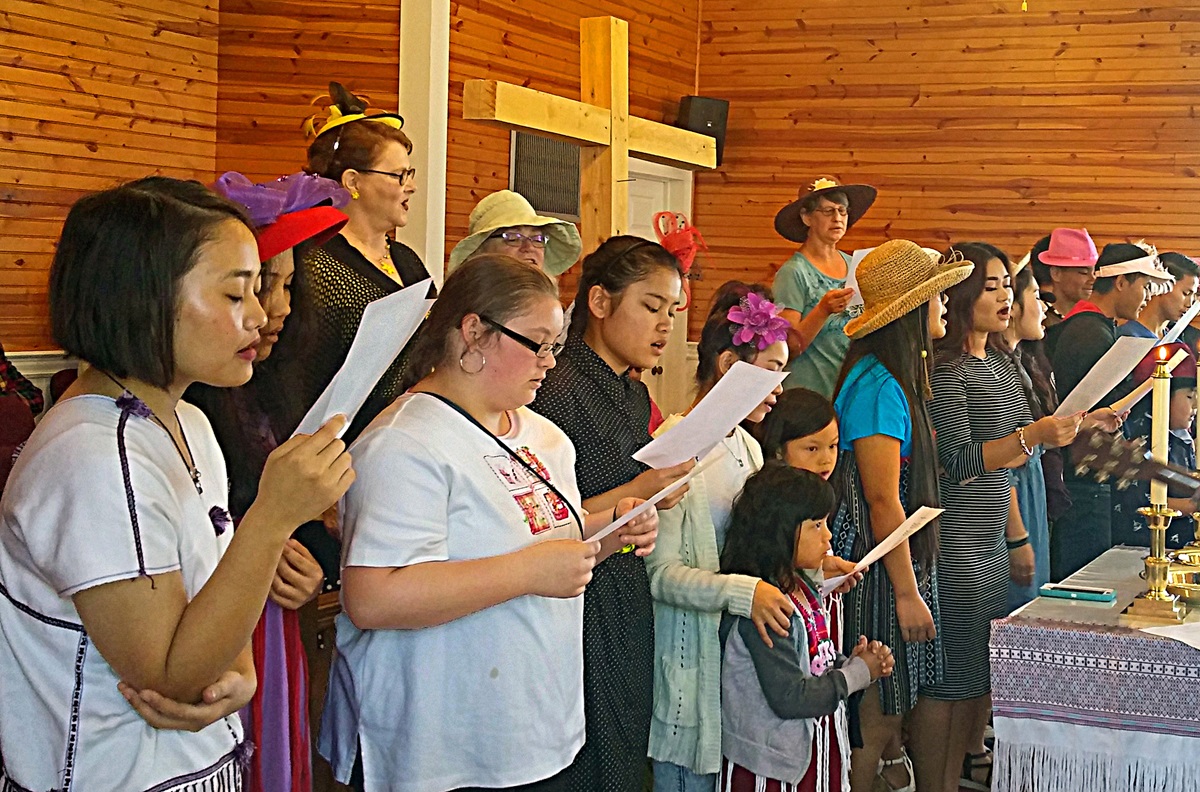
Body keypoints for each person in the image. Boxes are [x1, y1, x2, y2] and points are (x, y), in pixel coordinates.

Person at [0, 177, 353, 790]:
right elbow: (171, 677)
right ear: (147, 298)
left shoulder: (187, 419)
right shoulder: (92, 456)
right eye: (235, 293)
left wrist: (240, 672)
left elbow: (210, 594)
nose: (262, 315)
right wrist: (273, 517)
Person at [320, 255, 657, 791]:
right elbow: (373, 598)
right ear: (473, 332)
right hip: (443, 742)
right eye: (537, 343)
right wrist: (524, 574)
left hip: (534, 723)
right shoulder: (402, 444)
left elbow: (540, 534)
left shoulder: (545, 435)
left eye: (556, 345)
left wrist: (607, 529)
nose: (550, 362)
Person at [188, 170, 350, 792]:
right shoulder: (170, 414)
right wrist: (265, 541)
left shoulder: (271, 383)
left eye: (284, 285)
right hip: (211, 619)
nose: (273, 310)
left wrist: (308, 554)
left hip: (271, 613)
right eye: (250, 289)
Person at [913, 242, 1080, 792]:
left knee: (978, 672)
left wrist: (1017, 535)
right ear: (961, 295)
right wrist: (1031, 436)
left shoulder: (1004, 361)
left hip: (990, 532)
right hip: (954, 534)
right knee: (948, 677)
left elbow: (1008, 462)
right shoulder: (947, 368)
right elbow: (955, 462)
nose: (1007, 296)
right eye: (992, 286)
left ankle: (959, 774)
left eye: (1009, 284)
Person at [531, 236, 695, 792]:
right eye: (651, 307)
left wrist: (656, 490)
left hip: (625, 585)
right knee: (585, 757)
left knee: (624, 749)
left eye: (672, 310)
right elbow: (544, 515)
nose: (666, 324)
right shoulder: (556, 387)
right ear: (599, 303)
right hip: (572, 595)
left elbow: (633, 496)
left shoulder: (627, 390)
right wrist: (641, 488)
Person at [831, 239, 972, 792]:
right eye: (937, 297)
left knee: (891, 716)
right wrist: (908, 593)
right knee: (877, 714)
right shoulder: (878, 384)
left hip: (895, 556)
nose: (945, 307)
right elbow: (881, 499)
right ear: (912, 310)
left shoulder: (894, 376)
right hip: (878, 563)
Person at [645, 282, 793, 791]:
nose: (778, 391)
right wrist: (742, 591)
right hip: (689, 668)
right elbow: (660, 576)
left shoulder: (746, 449)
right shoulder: (676, 445)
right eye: (771, 374)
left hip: (735, 667)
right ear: (730, 366)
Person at [719, 463, 894, 792]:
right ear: (780, 530)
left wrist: (851, 663)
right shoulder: (768, 608)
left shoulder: (802, 586)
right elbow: (790, 696)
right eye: (816, 525)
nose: (828, 536)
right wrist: (856, 675)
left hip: (813, 756)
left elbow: (812, 660)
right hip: (770, 770)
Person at [303, 81, 436, 445]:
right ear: (352, 182)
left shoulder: (407, 261)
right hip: (338, 444)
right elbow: (301, 373)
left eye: (410, 174)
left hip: (410, 438)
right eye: (398, 176)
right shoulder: (316, 265)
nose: (410, 186)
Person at [1050, 242, 1173, 580]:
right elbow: (1082, 418)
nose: (1148, 297)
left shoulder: (1096, 327)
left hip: (1087, 481)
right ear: (1121, 283)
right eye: (1144, 286)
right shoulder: (1089, 331)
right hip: (1081, 486)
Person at [772, 177, 878, 397]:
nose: (838, 218)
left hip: (850, 392)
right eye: (828, 211)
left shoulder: (855, 266)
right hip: (809, 396)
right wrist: (822, 311)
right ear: (807, 217)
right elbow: (788, 347)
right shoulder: (793, 272)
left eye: (843, 211)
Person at [1002, 252, 1058, 610]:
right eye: (1036, 296)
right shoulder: (990, 368)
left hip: (1030, 487)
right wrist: (1017, 536)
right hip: (1012, 499)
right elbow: (994, 459)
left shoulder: (1021, 361)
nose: (1044, 307)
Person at [1115, 343, 1198, 550]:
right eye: (1189, 396)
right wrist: (1193, 505)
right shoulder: (1143, 438)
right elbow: (1143, 500)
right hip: (1147, 544)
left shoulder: (1181, 435)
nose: (1196, 405)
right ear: (1162, 394)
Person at [448, 189, 583, 277]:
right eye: (513, 238)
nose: (528, 247)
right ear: (481, 251)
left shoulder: (550, 310)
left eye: (537, 238)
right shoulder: (464, 309)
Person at [1037, 228, 1098, 355]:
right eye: (1083, 272)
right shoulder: (1041, 321)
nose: (1093, 279)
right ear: (1056, 273)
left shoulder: (1089, 318)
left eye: (1094, 272)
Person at [1119, 251, 1200, 339]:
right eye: (1186, 293)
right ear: (1162, 285)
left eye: (1193, 295)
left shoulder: (1176, 342)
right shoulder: (1127, 337)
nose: (1189, 304)